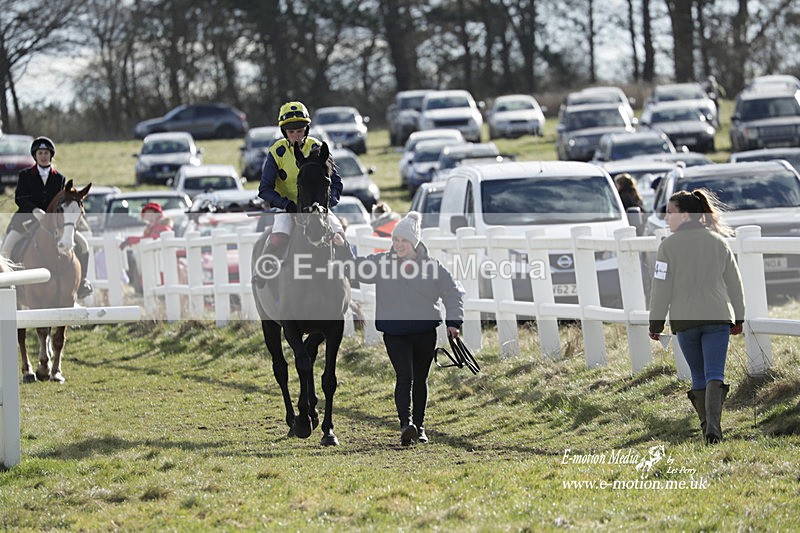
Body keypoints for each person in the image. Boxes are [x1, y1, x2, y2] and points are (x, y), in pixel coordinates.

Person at [348, 212, 464, 446]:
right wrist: (342, 247)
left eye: (404, 241)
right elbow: (354, 268)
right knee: (405, 377)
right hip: (395, 332)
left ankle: (419, 427)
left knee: (420, 379)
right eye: (396, 240)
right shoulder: (381, 263)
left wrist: (454, 322)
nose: (399, 245)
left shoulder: (432, 267)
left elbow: (452, 292)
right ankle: (406, 425)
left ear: (415, 243)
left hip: (424, 332)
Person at [648, 189, 745, 444]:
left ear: (686, 214)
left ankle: (706, 429)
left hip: (684, 319)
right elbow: (734, 284)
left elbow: (660, 287)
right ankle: (714, 427)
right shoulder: (718, 242)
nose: (666, 218)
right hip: (717, 316)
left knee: (699, 376)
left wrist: (656, 322)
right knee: (715, 373)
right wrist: (739, 317)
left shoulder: (667, 247)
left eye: (670, 212)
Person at [0, 136, 93, 299]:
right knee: (6, 248)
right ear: (35, 156)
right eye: (40, 153)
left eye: (46, 153)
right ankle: (5, 286)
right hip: (26, 219)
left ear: (51, 155)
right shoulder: (25, 175)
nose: (43, 156)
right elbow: (20, 199)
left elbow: (62, 202)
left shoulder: (60, 178)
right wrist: (35, 210)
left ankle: (83, 282)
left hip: (54, 222)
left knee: (83, 244)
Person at [258, 101, 344, 255]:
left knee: (340, 234)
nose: (296, 135)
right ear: (284, 132)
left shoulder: (318, 148)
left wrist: (329, 201)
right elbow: (264, 189)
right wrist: (286, 204)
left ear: (306, 129)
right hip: (287, 208)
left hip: (317, 209)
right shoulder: (276, 152)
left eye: (300, 130)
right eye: (291, 132)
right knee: (278, 237)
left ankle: (349, 267)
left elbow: (336, 182)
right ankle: (264, 267)